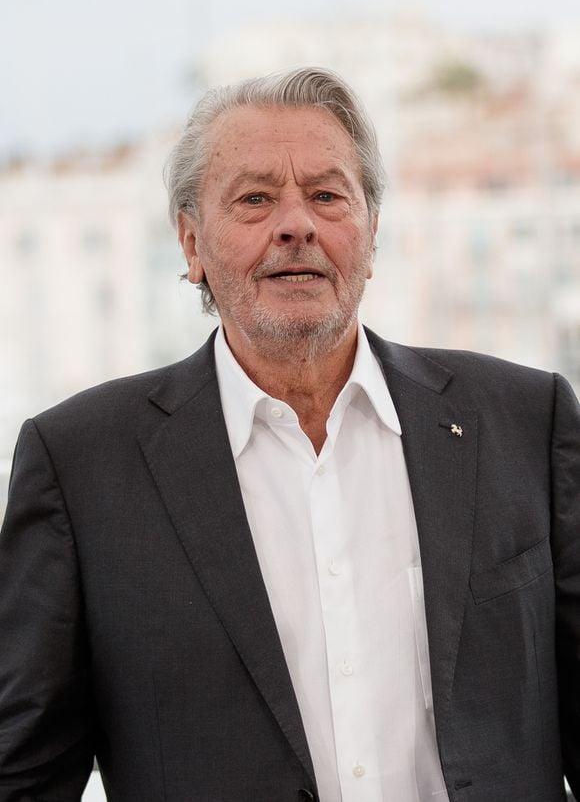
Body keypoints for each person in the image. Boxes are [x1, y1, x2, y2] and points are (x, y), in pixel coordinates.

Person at [0, 67, 578, 802]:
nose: (296, 223)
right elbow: (20, 771)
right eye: (255, 198)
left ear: (371, 231)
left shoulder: (528, 420)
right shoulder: (81, 467)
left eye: (328, 194)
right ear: (191, 244)